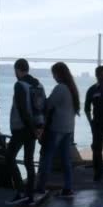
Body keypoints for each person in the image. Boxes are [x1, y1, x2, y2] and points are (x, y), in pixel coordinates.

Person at [36, 62, 80, 198]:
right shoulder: (72, 88)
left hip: (57, 128)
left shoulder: (60, 88)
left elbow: (48, 105)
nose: (53, 77)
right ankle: (68, 188)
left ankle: (41, 187)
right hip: (68, 129)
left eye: (54, 74)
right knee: (66, 160)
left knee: (47, 157)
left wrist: (39, 100)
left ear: (58, 74)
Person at [6, 58, 44, 205]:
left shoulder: (19, 85)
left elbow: (22, 110)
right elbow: (42, 107)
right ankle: (30, 195)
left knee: (9, 158)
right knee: (29, 160)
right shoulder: (38, 84)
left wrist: (31, 128)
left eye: (15, 70)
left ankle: (20, 191)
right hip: (34, 128)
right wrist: (39, 129)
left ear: (17, 70)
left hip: (22, 128)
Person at [84, 65, 103, 182]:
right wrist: (90, 122)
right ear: (97, 75)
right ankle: (98, 173)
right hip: (97, 123)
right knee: (97, 149)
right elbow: (86, 108)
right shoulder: (92, 90)